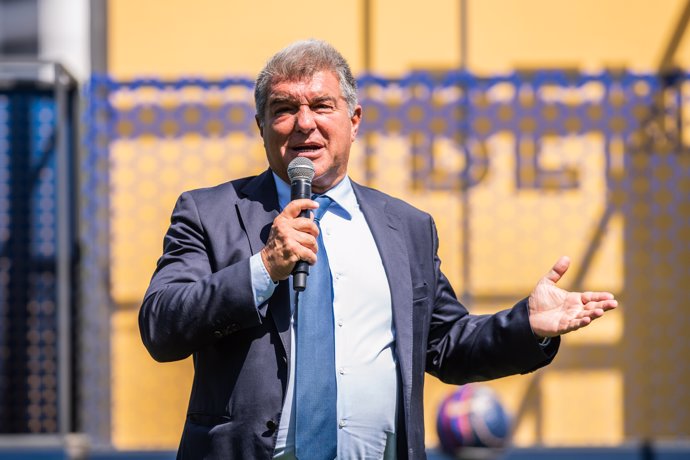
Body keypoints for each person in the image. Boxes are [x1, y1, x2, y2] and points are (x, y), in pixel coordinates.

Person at [139, 39, 618, 460]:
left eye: (322, 106)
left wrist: (527, 326)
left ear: (354, 119)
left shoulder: (406, 228)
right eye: (284, 109)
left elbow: (446, 345)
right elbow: (161, 324)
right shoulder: (211, 212)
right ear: (261, 125)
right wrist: (263, 269)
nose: (303, 123)